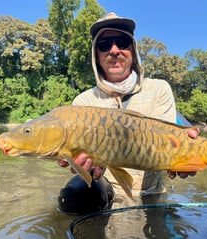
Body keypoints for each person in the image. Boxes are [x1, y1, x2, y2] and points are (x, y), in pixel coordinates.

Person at [58, 12, 199, 214]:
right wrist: (84, 169)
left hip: (152, 191)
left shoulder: (159, 89)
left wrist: (183, 154)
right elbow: (83, 164)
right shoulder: (82, 103)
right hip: (108, 191)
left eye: (122, 42)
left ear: (132, 50)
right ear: (96, 56)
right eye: (105, 45)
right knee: (75, 191)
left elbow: (168, 145)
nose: (114, 50)